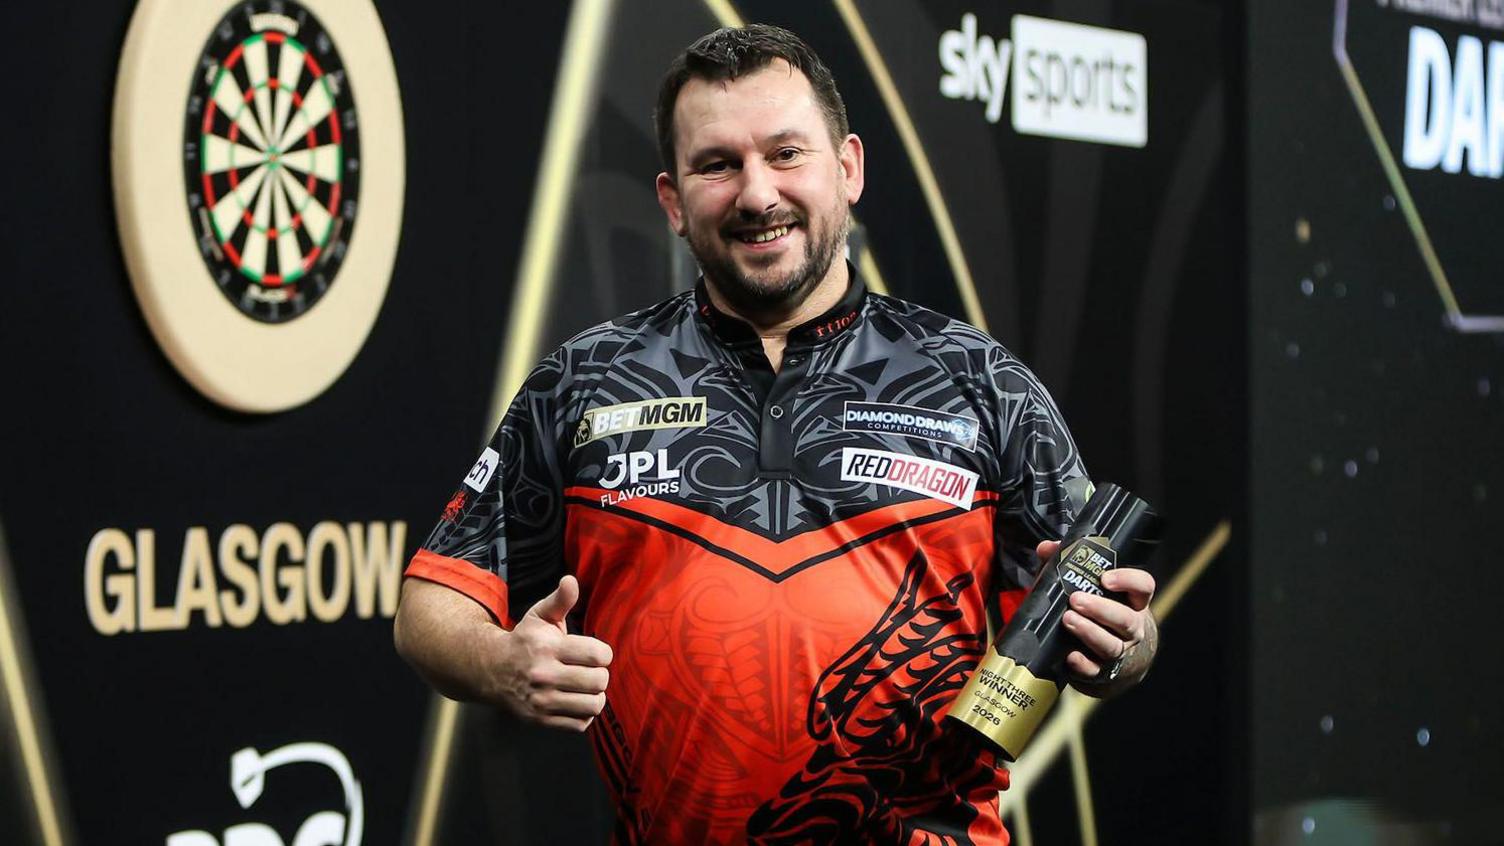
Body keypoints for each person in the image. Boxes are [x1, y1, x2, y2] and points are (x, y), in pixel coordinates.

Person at [394, 23, 1158, 845]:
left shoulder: (979, 382)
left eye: (786, 154)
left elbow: (1118, 635)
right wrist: (503, 667)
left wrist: (1122, 643)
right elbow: (428, 609)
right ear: (672, 202)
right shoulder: (585, 381)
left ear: (849, 168)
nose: (757, 194)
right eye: (717, 164)